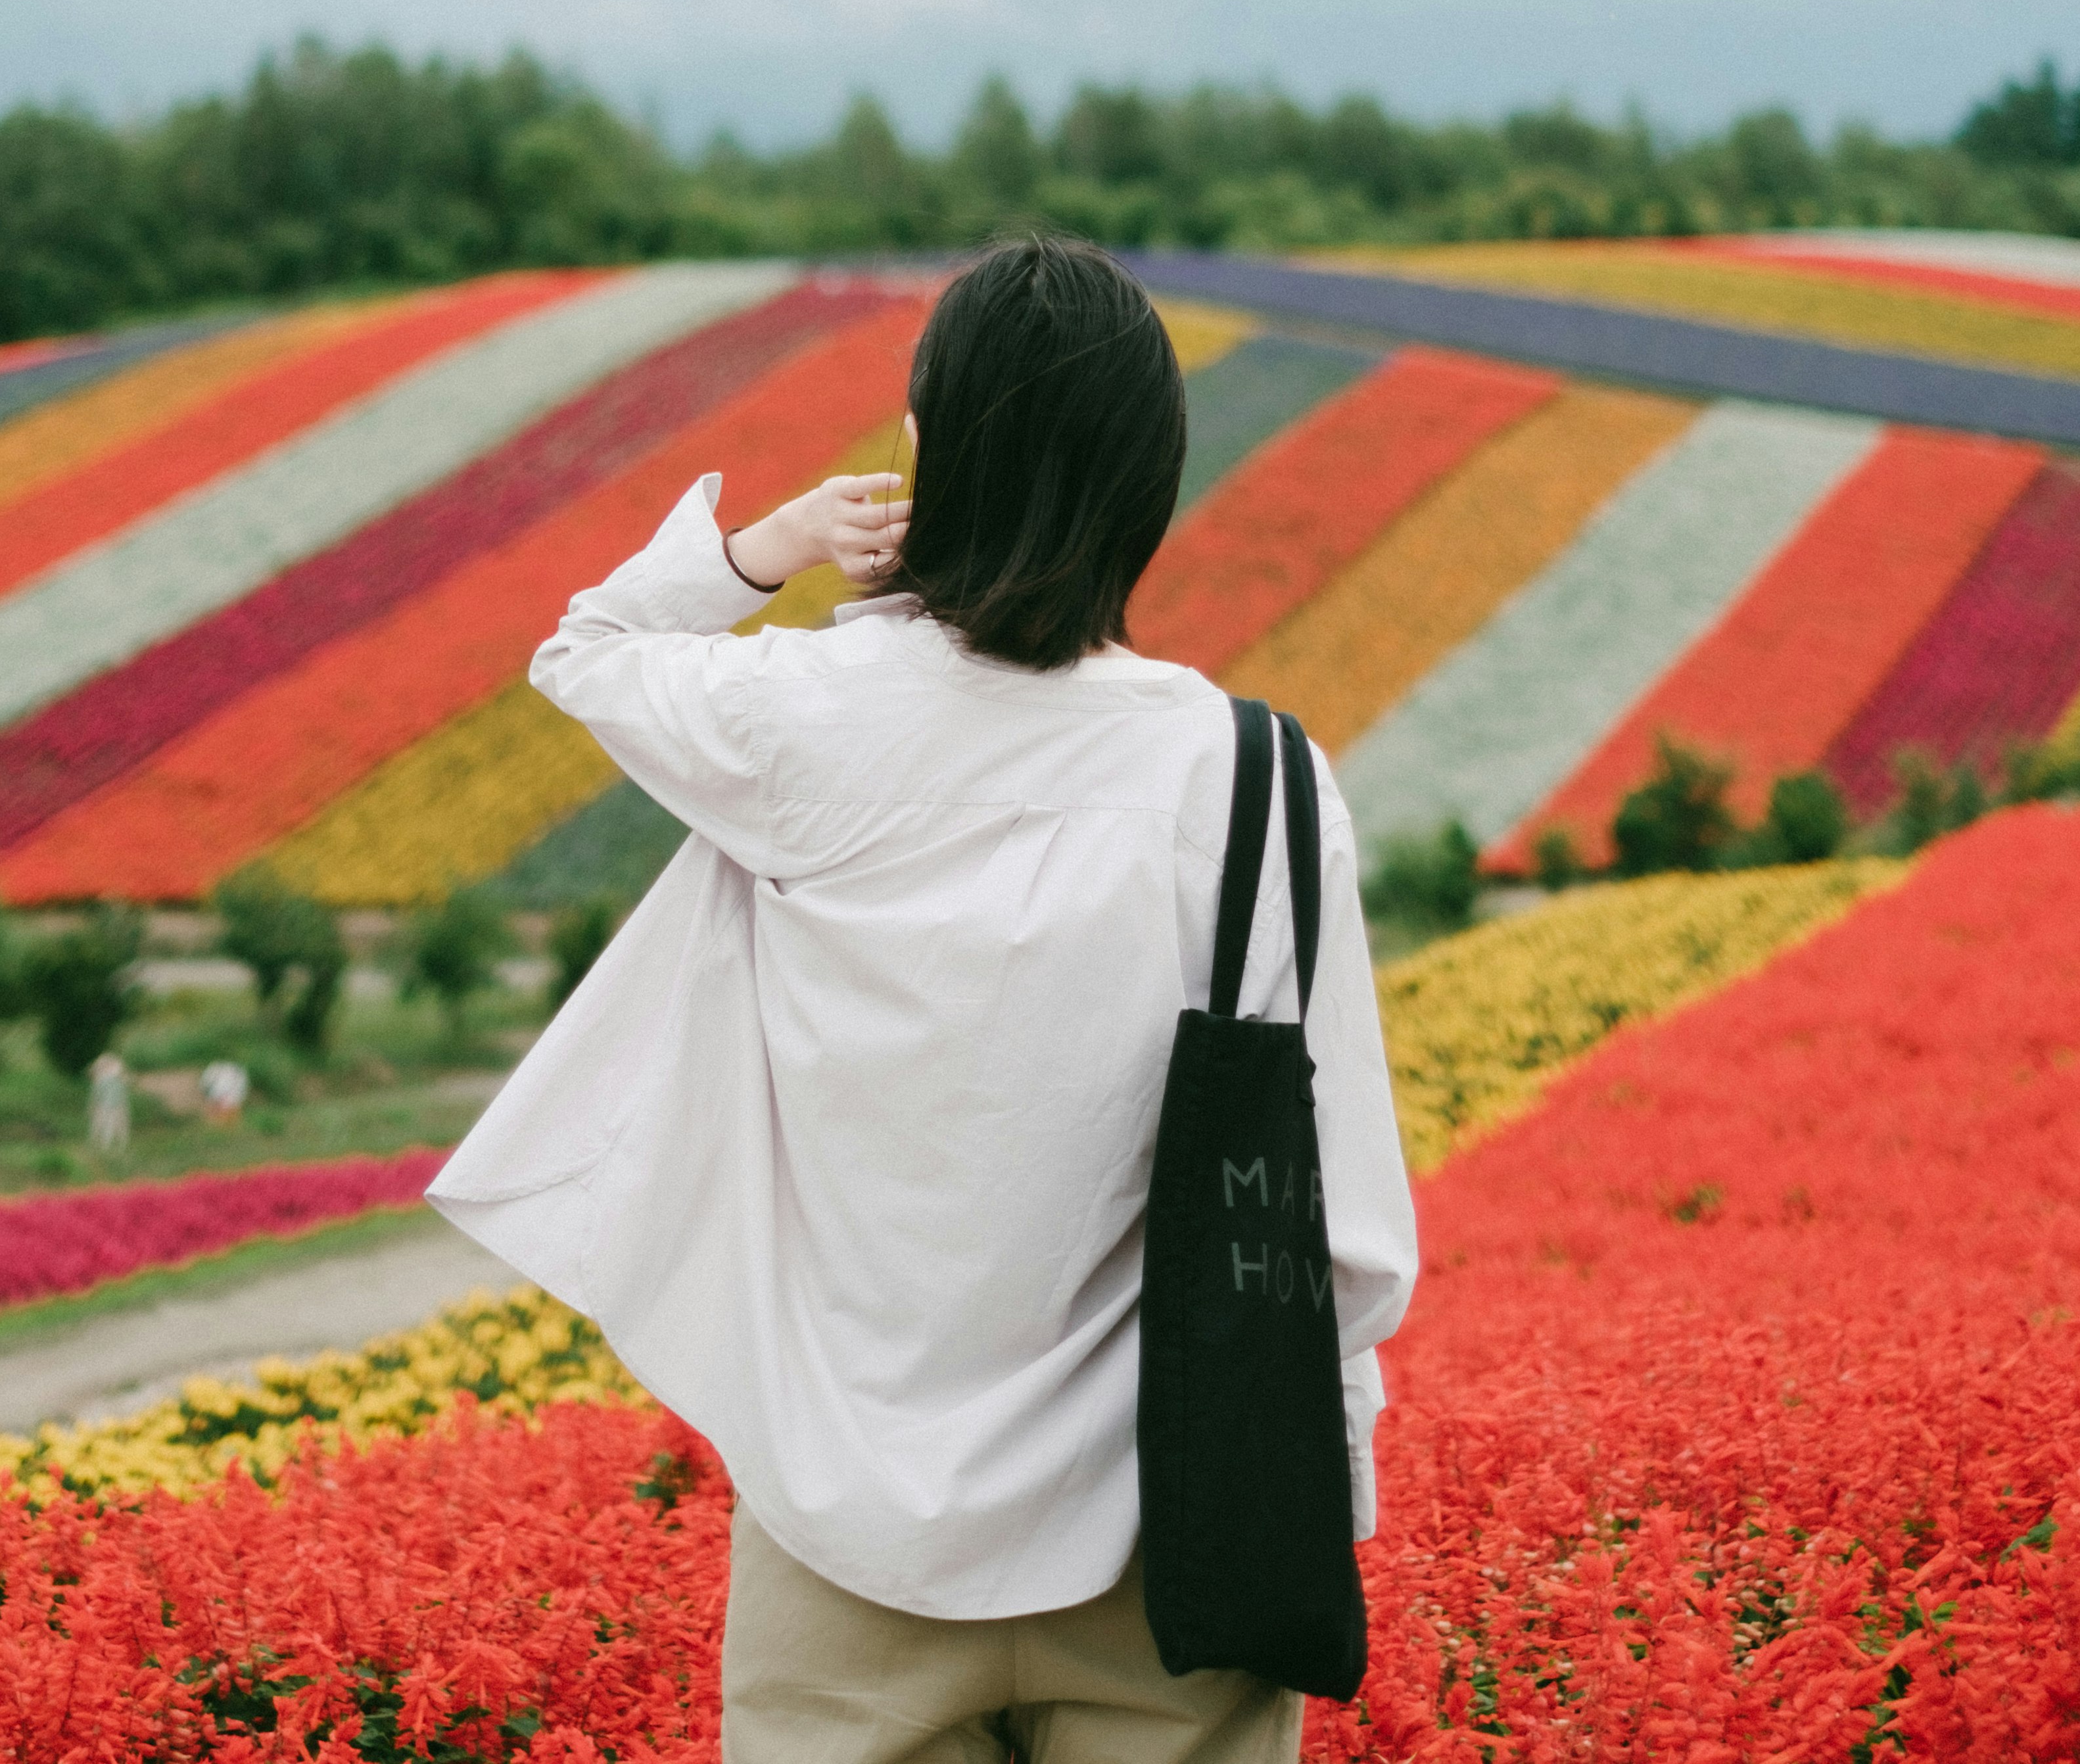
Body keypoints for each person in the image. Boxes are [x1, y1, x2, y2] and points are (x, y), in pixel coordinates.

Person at [431, 233, 1415, 1763]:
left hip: (847, 1549)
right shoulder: (1260, 785)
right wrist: (1317, 1497)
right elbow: (1337, 1231)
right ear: (1151, 484)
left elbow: (592, 650)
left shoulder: (800, 727)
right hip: (1170, 1544)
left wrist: (776, 542)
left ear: (926, 456)